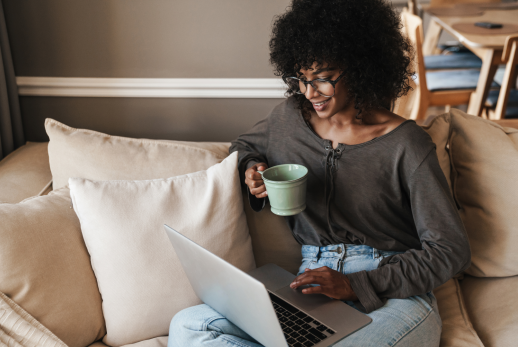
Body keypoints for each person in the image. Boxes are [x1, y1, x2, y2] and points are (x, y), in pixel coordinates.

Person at [168, 0, 471, 346]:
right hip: (310, 287)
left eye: (324, 79)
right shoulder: (287, 120)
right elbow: (243, 146)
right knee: (191, 325)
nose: (310, 93)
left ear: (359, 68)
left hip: (393, 294)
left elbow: (450, 249)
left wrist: (356, 284)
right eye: (301, 78)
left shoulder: (406, 145)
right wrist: (252, 169)